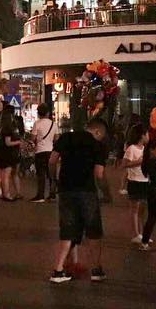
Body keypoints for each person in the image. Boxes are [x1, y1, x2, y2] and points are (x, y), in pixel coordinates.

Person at [48, 117, 108, 284]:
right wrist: (106, 192)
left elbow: (52, 161)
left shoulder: (66, 138)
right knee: (93, 232)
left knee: (67, 230)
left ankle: (58, 270)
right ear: (98, 132)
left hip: (66, 190)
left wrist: (53, 180)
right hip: (87, 191)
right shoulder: (98, 146)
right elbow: (99, 174)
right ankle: (97, 270)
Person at [122, 124, 149, 242]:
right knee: (135, 209)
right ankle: (135, 234)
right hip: (134, 181)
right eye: (146, 134)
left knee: (143, 210)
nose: (148, 136)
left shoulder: (146, 149)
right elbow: (124, 164)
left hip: (145, 181)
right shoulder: (131, 149)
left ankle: (143, 234)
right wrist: (138, 162)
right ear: (141, 136)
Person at [0, 106, 22, 201]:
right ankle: (6, 194)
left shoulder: (0, 126)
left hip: (0, 151)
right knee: (6, 174)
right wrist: (18, 142)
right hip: (7, 153)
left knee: (1, 174)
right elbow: (8, 142)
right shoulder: (9, 126)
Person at [31, 104, 59, 202]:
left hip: (40, 151)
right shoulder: (53, 124)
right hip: (51, 152)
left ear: (38, 113)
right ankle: (52, 195)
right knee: (51, 175)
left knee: (41, 174)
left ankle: (40, 195)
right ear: (48, 113)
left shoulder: (37, 124)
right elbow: (56, 139)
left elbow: (33, 138)